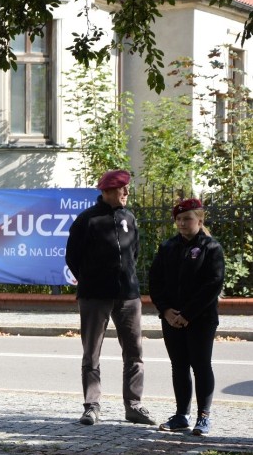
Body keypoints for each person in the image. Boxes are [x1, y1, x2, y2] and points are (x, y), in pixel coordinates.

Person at [65, 169, 155, 426]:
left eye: (127, 188)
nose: (126, 193)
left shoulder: (129, 217)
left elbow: (133, 252)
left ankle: (134, 405)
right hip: (95, 296)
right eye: (121, 189)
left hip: (128, 295)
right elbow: (72, 257)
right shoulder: (87, 220)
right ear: (106, 192)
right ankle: (92, 406)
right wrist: (91, 279)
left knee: (134, 352)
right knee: (91, 353)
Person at [149, 198, 225, 436]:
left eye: (187, 219)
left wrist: (188, 314)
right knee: (179, 366)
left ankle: (203, 417)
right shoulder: (168, 247)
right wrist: (166, 310)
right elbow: (155, 282)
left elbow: (213, 284)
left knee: (200, 365)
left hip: (200, 319)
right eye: (178, 220)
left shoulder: (211, 248)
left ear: (199, 220)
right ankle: (182, 414)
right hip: (171, 318)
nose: (182, 223)